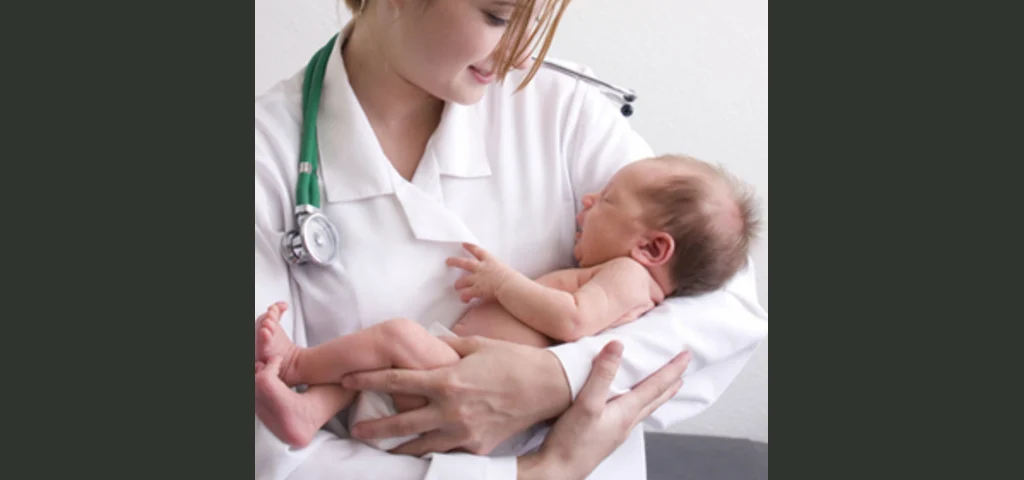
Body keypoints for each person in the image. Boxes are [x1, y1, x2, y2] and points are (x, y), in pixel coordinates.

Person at [255, 0, 769, 479]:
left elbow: (723, 304)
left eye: (535, 21)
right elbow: (271, 456)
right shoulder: (268, 157)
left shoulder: (562, 107)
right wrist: (535, 475)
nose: (523, 52)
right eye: (499, 18)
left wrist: (553, 379)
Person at [254, 154, 759, 450]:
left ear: (651, 248)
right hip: (449, 373)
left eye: (606, 200)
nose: (587, 201)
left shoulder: (628, 276)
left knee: (395, 337)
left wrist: (503, 283)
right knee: (376, 361)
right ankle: (310, 410)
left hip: (457, 383)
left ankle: (296, 363)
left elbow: (575, 320)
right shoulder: (622, 272)